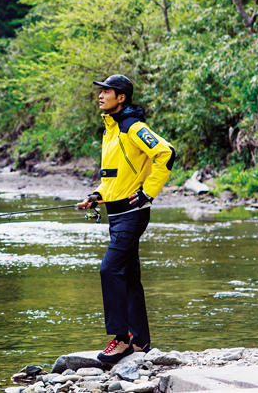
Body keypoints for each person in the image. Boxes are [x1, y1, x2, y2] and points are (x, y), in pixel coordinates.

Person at [78, 74, 175, 364]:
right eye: (101, 91)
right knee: (129, 277)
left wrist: (148, 192)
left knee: (109, 270)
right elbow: (113, 177)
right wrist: (97, 196)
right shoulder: (110, 130)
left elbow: (166, 153)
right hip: (116, 213)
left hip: (132, 214)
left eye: (107, 91)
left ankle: (120, 340)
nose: (101, 95)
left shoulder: (133, 127)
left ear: (121, 97)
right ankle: (141, 342)